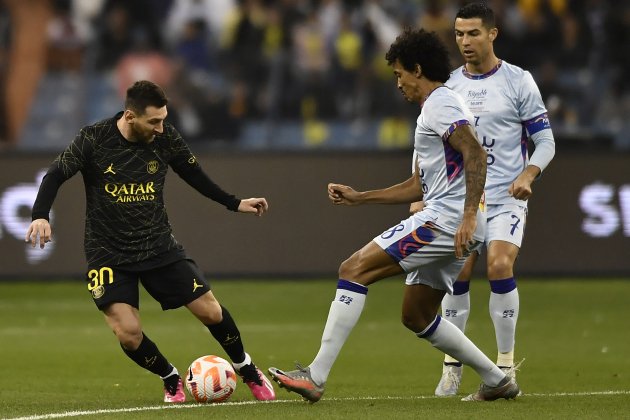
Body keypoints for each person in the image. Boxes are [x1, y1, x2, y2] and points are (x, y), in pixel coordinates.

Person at [268, 28, 519, 403]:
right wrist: (361, 197)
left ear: (417, 69)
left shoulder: (440, 103)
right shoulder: (436, 110)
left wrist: (467, 216)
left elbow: (475, 154)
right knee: (416, 315)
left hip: (445, 221)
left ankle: (316, 376)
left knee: (353, 269)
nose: (398, 83)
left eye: (400, 74)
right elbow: (420, 185)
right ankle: (497, 379)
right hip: (453, 219)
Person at [24, 80, 276, 403]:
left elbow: (194, 174)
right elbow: (55, 173)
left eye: (164, 119)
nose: (161, 127)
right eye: (154, 121)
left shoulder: (166, 137)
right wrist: (40, 214)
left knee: (211, 312)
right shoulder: (94, 139)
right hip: (108, 253)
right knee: (128, 334)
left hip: (158, 245)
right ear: (130, 116)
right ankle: (170, 377)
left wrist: (234, 202)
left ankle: (247, 368)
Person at [411, 3, 556, 396]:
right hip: (461, 197)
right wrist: (422, 193)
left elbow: (545, 140)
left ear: (492, 34)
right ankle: (452, 368)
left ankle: (506, 366)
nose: (464, 41)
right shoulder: (449, 87)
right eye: (459, 34)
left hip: (507, 193)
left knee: (499, 263)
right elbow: (428, 145)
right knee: (457, 276)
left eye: (473, 33)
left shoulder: (518, 81)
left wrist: (529, 173)